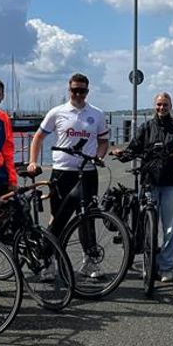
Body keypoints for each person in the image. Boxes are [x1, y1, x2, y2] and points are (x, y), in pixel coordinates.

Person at [27, 73, 110, 278]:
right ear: (69, 90)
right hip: (62, 172)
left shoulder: (97, 114)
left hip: (88, 172)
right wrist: (33, 161)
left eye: (82, 90)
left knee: (87, 217)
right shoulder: (57, 112)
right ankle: (49, 262)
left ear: (87, 92)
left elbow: (103, 141)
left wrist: (99, 156)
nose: (78, 94)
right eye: (75, 90)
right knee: (58, 218)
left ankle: (89, 262)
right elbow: (38, 137)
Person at [111, 92, 173, 283]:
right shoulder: (146, 127)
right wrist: (122, 154)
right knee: (148, 227)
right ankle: (149, 263)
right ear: (154, 106)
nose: (161, 108)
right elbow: (133, 149)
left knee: (170, 228)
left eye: (165, 105)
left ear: (171, 106)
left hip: (171, 182)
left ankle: (166, 266)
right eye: (158, 105)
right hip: (149, 181)